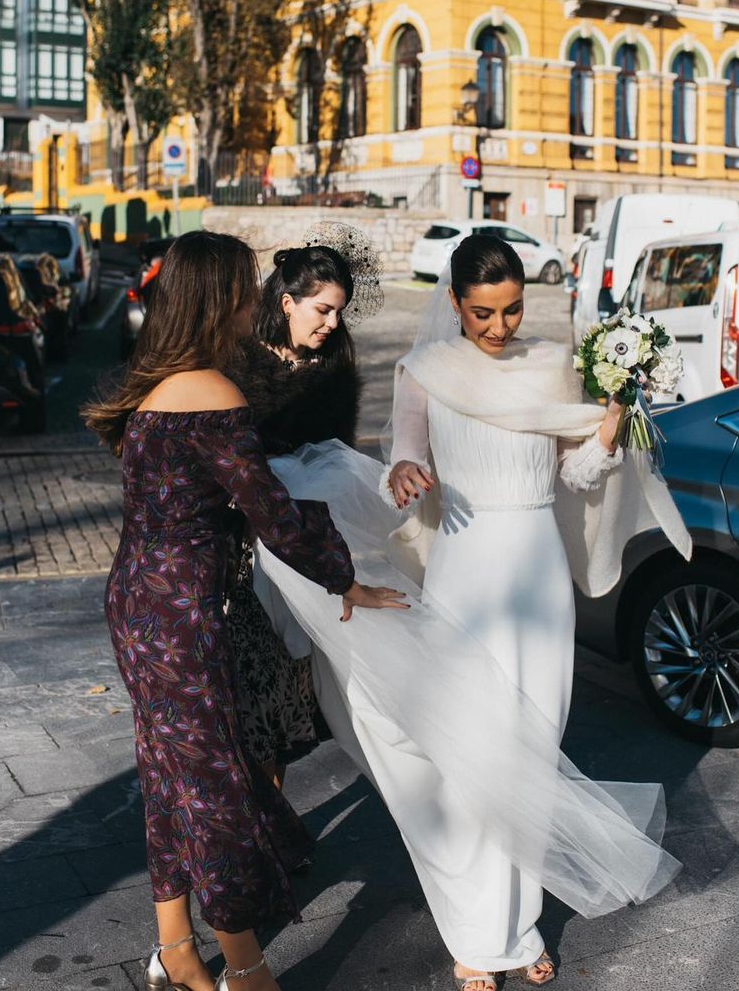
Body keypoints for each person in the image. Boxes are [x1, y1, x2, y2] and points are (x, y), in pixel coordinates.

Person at [246, 234, 691, 991]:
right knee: (469, 759)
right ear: (453, 303)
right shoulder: (422, 370)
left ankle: (518, 929)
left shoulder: (552, 364)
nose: (498, 326)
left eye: (512, 309)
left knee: (531, 746)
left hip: (536, 576)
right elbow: (397, 465)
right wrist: (405, 474)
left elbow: (578, 472)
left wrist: (609, 428)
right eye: (482, 312)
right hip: (464, 571)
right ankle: (482, 934)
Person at [82, 230, 405, 991]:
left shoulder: (151, 387)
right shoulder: (214, 394)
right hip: (185, 614)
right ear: (218, 295)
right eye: (243, 285)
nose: (251, 299)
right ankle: (247, 968)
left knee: (168, 775)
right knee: (218, 793)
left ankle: (175, 949)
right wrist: (344, 579)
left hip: (134, 602)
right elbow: (275, 516)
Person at [224, 243, 363, 790]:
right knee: (248, 690)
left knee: (285, 687)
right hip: (235, 547)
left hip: (300, 545)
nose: (333, 324)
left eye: (340, 312)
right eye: (322, 310)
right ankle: (264, 825)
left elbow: (340, 459)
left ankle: (273, 819)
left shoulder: (335, 371)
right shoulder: (234, 361)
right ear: (286, 302)